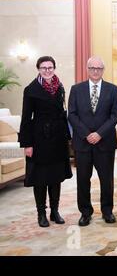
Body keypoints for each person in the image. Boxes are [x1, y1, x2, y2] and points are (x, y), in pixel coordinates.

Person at [19, 56, 72, 227]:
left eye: (50, 67)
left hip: (58, 138)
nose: (47, 71)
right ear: (38, 69)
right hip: (40, 139)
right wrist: (27, 144)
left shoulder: (59, 86)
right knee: (40, 178)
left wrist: (68, 136)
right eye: (44, 68)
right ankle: (41, 213)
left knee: (55, 177)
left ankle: (55, 211)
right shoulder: (31, 89)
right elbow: (26, 118)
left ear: (54, 69)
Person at [68, 57, 117, 226]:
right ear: (87, 69)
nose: (96, 71)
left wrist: (99, 134)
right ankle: (85, 212)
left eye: (99, 68)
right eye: (92, 68)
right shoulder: (76, 89)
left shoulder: (113, 89)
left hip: (105, 142)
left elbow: (114, 116)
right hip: (83, 143)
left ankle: (107, 211)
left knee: (107, 180)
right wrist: (87, 134)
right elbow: (72, 115)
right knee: (83, 179)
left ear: (103, 70)